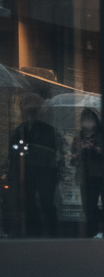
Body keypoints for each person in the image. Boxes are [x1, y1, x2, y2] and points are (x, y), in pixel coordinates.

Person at [6, 93, 60, 238]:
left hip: (43, 173)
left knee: (46, 204)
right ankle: (36, 233)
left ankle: (48, 234)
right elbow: (14, 153)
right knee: (30, 204)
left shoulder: (47, 130)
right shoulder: (21, 129)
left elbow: (53, 152)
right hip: (28, 173)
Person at [71, 108, 104, 238]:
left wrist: (93, 148)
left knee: (102, 205)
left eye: (90, 119)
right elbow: (73, 155)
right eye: (85, 119)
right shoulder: (78, 138)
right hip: (84, 175)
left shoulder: (101, 136)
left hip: (99, 175)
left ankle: (101, 228)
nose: (87, 122)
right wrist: (79, 152)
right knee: (88, 207)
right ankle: (92, 231)